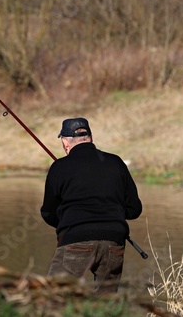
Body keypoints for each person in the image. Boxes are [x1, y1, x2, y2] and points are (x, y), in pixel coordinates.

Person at [40, 117, 142, 293]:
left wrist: (69, 221)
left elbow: (48, 213)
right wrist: (111, 212)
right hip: (114, 241)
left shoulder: (59, 167)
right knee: (105, 305)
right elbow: (134, 209)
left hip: (75, 240)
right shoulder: (116, 163)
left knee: (55, 297)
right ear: (90, 138)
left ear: (65, 142)